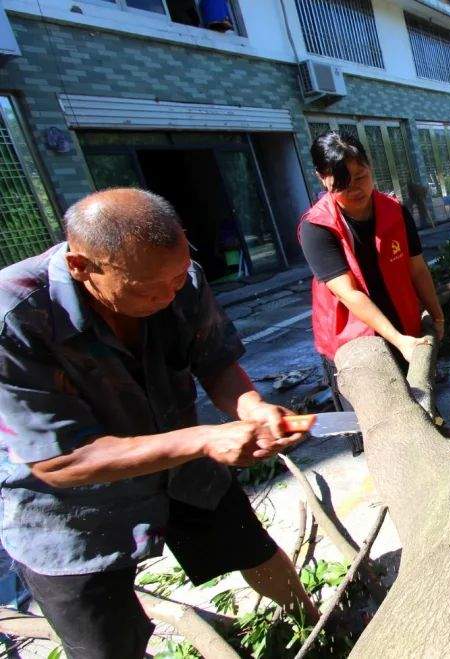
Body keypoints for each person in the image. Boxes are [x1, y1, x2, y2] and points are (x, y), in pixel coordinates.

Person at [0, 188, 317, 659]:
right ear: (82, 268)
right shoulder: (15, 318)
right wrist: (205, 438)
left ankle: (318, 624)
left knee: (251, 548)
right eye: (148, 290)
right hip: (68, 514)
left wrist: (251, 407)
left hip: (182, 468)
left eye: (176, 279)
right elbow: (59, 461)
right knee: (105, 645)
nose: (170, 295)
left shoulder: (177, 278)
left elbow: (215, 362)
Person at [299, 131, 444, 383]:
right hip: (353, 341)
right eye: (342, 183)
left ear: (370, 166)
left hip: (404, 324)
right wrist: (399, 342)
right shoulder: (316, 227)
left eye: (360, 177)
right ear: (322, 178)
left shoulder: (395, 211)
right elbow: (350, 294)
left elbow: (417, 269)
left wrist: (437, 315)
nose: (355, 189)